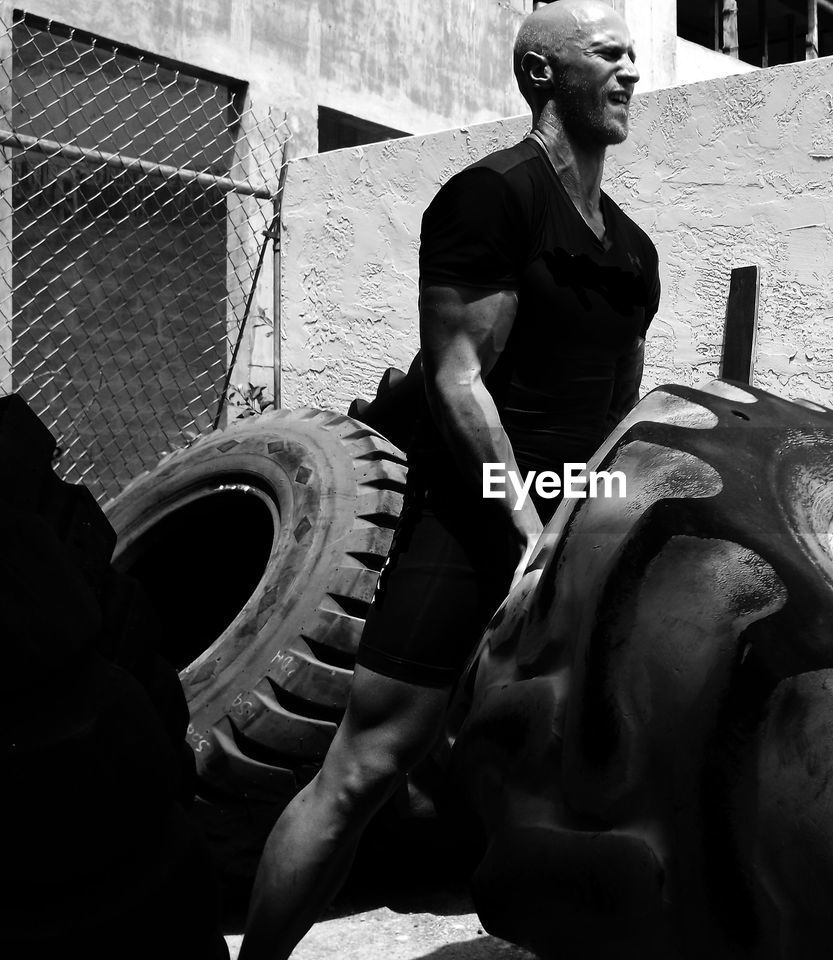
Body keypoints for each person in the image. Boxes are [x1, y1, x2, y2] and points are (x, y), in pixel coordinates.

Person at [237, 2, 659, 957]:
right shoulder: (492, 198)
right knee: (365, 766)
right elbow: (454, 376)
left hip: (575, 507)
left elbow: (617, 409)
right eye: (608, 55)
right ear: (543, 74)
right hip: (479, 515)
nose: (632, 72)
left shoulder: (633, 250)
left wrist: (608, 507)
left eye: (636, 55)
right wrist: (523, 525)